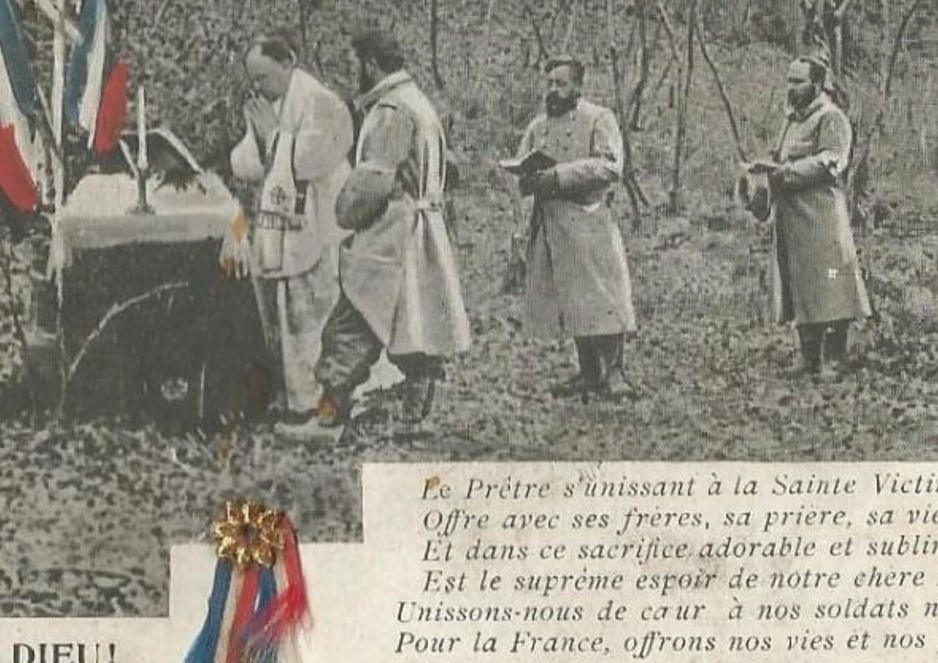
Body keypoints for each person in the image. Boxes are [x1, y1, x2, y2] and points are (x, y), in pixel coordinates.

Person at [276, 31, 471, 443]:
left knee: (350, 327)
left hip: (394, 235)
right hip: (421, 229)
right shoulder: (418, 101)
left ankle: (327, 421)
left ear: (369, 64)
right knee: (410, 323)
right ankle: (414, 414)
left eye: (355, 64)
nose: (353, 73)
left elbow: (372, 182)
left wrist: (344, 214)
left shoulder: (392, 109)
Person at [228, 31, 353, 419]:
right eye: (253, 80)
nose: (258, 87)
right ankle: (295, 395)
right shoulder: (271, 104)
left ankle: (322, 400)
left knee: (315, 314)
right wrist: (265, 142)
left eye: (263, 77)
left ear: (288, 63)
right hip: (282, 225)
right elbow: (247, 161)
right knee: (288, 314)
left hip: (319, 223)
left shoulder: (321, 102)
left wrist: (275, 140)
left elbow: (315, 159)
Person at [511, 57, 636, 400]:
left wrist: (561, 175)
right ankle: (589, 372)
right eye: (550, 83)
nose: (553, 90)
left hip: (589, 221)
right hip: (550, 225)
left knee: (603, 298)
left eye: (561, 83)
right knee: (571, 300)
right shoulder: (537, 127)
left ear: (578, 87)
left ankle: (615, 374)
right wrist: (527, 179)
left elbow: (611, 166)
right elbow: (523, 170)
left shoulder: (598, 119)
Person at [744, 55, 871, 377]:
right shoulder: (792, 120)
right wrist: (760, 174)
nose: (791, 88)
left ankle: (834, 358)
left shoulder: (832, 118)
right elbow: (779, 156)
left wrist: (786, 171)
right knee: (799, 285)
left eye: (798, 81)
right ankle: (808, 356)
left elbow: (832, 160)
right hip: (791, 220)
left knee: (831, 285)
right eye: (789, 80)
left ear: (816, 83)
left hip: (822, 217)